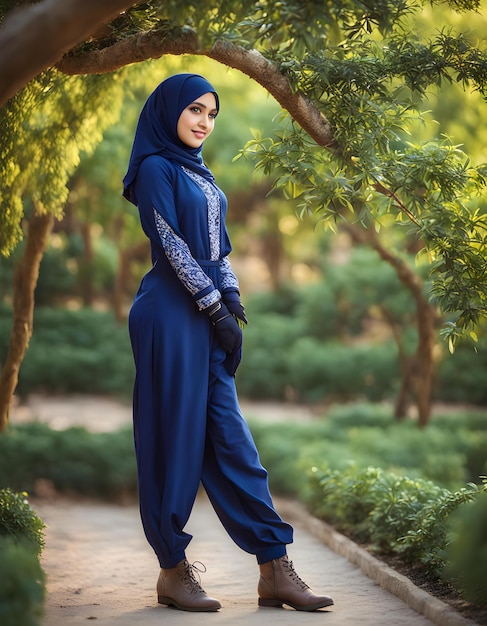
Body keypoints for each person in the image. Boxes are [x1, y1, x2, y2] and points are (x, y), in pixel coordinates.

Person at [122, 72, 334, 613]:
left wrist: (232, 299)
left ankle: (274, 566)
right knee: (174, 442)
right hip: (170, 317)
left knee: (233, 442)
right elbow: (169, 243)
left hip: (204, 315)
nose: (204, 122)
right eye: (195, 110)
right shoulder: (155, 169)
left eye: (212, 114)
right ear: (168, 110)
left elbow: (217, 247)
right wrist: (215, 308)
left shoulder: (201, 173)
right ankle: (172, 569)